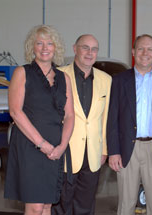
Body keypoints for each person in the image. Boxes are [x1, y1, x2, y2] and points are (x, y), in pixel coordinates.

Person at [4, 25, 75, 215]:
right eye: (40, 43)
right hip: (30, 146)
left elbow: (69, 115)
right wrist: (42, 144)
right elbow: (16, 112)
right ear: (32, 47)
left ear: (56, 47)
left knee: (46, 206)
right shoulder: (22, 72)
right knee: (35, 207)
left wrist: (62, 146)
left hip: (56, 148)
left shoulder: (64, 78)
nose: (45, 48)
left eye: (49, 43)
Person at [107, 34, 152, 215]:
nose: (145, 53)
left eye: (149, 49)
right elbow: (112, 118)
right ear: (133, 52)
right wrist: (113, 151)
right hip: (126, 150)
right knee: (125, 204)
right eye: (140, 48)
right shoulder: (119, 80)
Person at [51, 34, 112, 215]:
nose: (89, 52)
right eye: (85, 47)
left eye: (94, 49)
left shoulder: (106, 80)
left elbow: (105, 118)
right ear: (74, 48)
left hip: (93, 153)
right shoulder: (58, 76)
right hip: (65, 151)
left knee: (86, 206)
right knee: (61, 205)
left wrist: (104, 150)